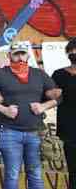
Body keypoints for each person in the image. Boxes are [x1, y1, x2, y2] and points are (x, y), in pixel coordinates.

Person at [0, 42, 61, 189]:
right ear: (9, 55)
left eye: (23, 53)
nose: (20, 57)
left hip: (35, 132)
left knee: (35, 173)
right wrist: (4, 110)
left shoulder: (39, 74)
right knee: (12, 174)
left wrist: (43, 106)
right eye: (16, 54)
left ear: (28, 55)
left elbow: (58, 95)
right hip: (8, 131)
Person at [53, 38, 76, 189]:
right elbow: (49, 97)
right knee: (73, 170)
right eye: (72, 51)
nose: (74, 53)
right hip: (69, 127)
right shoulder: (59, 74)